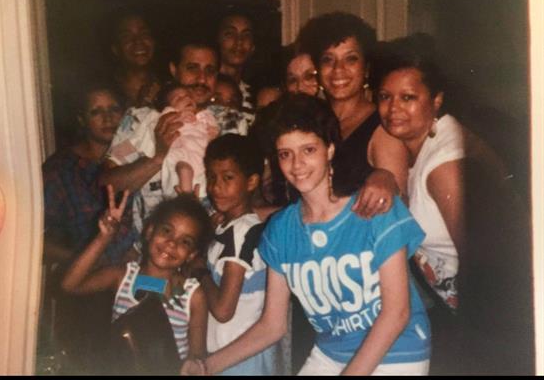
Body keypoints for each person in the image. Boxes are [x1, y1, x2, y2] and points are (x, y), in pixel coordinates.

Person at [181, 94, 431, 376]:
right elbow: (272, 326)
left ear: (330, 149)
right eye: (285, 154)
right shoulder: (280, 230)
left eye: (308, 150)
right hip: (331, 353)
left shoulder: (375, 207)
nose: (297, 164)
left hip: (397, 351)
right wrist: (205, 366)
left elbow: (397, 314)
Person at [374, 33, 518, 374]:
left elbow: (483, 261)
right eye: (385, 97)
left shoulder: (442, 166)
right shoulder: (423, 145)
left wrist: (472, 342)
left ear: (436, 100)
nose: (393, 108)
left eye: (408, 97)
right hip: (464, 316)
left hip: (489, 324)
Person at [41, 82, 135, 373]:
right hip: (84, 290)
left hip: (131, 283)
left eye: (114, 109)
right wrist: (79, 258)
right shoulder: (60, 169)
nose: (108, 118)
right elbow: (33, 238)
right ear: (82, 119)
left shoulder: (136, 160)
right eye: (96, 112)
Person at [62, 189, 212, 365]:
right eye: (166, 231)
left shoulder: (193, 295)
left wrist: (194, 366)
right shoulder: (122, 276)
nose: (172, 243)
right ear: (149, 231)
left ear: (191, 254)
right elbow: (70, 285)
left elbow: (197, 356)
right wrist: (103, 238)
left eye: (185, 241)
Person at [100, 40, 220, 240]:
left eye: (210, 70)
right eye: (192, 68)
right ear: (174, 70)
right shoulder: (141, 120)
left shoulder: (230, 122)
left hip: (213, 242)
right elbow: (108, 183)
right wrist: (158, 157)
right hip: (153, 243)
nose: (202, 78)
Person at [297, 12, 409, 209]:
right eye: (328, 60)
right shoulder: (312, 121)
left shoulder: (383, 129)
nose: (338, 69)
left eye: (351, 59)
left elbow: (397, 210)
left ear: (366, 69)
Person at [187, 134, 278, 375]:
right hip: (225, 354)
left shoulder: (241, 232)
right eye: (211, 177)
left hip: (239, 359)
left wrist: (200, 271)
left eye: (228, 178)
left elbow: (223, 310)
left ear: (251, 182)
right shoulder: (227, 227)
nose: (216, 187)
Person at [122, 82, 220, 199]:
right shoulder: (168, 116)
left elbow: (213, 131)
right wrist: (176, 114)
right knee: (184, 169)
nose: (187, 98)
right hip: (182, 155)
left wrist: (213, 133)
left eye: (189, 96)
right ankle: (187, 197)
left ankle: (195, 196)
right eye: (179, 98)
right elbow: (159, 122)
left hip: (201, 155)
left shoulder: (203, 117)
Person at [109, 11, 161, 108]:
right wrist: (141, 106)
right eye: (127, 36)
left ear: (153, 42)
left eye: (144, 34)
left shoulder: (169, 85)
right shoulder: (107, 91)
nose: (138, 41)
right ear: (115, 49)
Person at [217, 11, 256, 111]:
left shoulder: (254, 96)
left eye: (246, 35)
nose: (239, 41)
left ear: (253, 47)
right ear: (218, 40)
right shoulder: (205, 90)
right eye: (230, 34)